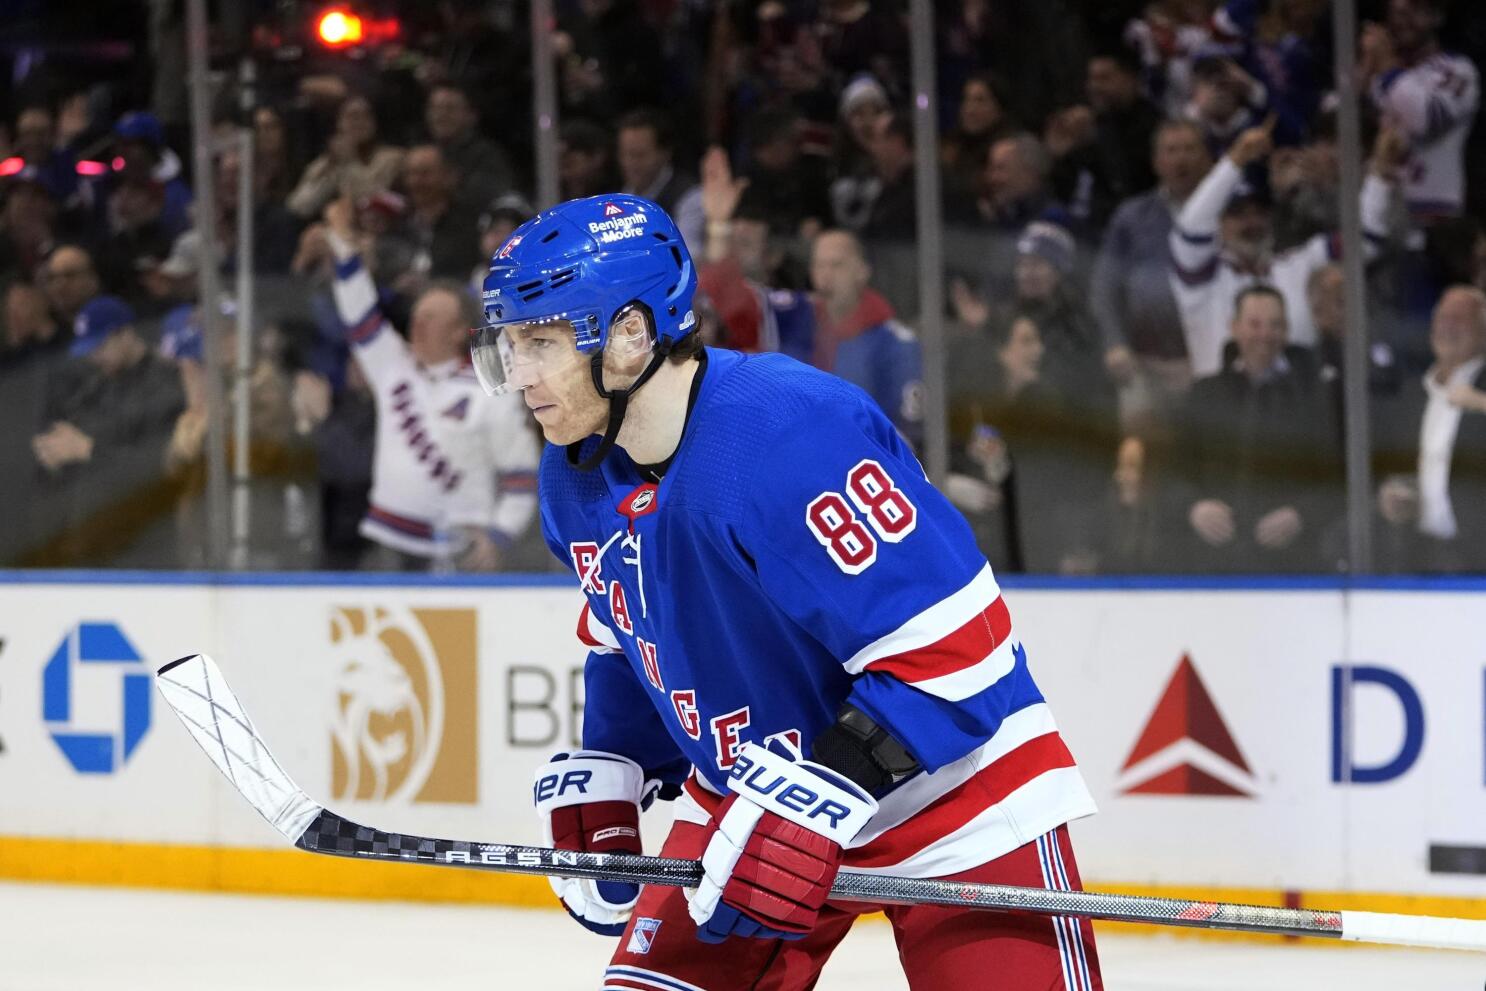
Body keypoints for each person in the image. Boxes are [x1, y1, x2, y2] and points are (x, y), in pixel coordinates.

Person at [472, 193, 1101, 989]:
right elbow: (630, 631)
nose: (518, 371)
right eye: (509, 343)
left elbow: (959, 653)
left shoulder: (790, 432)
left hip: (955, 799)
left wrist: (827, 789)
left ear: (631, 336)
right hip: (755, 801)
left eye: (541, 341)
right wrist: (616, 758)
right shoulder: (574, 474)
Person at [322, 198, 538, 572]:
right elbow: (359, 314)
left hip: (458, 549)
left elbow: (521, 475)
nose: (417, 324)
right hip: (387, 541)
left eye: (431, 318)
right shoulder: (392, 368)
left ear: (457, 332)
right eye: (417, 315)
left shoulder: (490, 391)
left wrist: (500, 536)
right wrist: (344, 249)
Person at [1177, 285, 1334, 573]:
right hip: (1212, 566)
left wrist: (1302, 515)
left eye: (1275, 325)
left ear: (1286, 331)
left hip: (1291, 566)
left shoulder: (1312, 397)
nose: (1265, 334)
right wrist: (1193, 508)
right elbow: (1173, 471)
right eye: (1254, 324)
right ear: (1234, 328)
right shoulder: (1205, 394)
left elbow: (1335, 478)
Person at [1375, 286, 1486, 572]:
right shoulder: (1413, 393)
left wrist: (1481, 402)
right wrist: (1392, 494)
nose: (1448, 326)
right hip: (1418, 554)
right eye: (1442, 318)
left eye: (1460, 319)